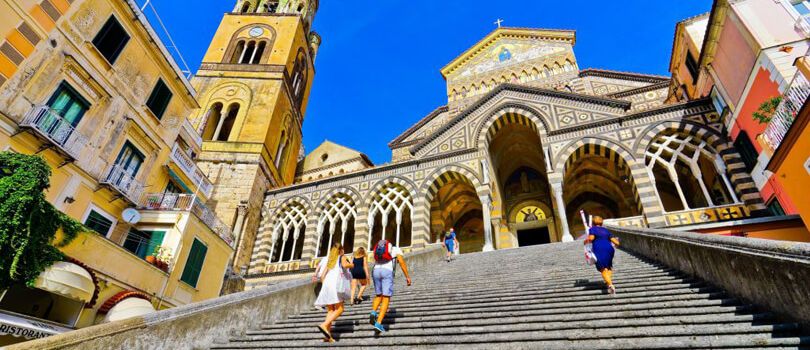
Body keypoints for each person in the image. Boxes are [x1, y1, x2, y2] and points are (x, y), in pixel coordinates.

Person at [369, 238, 412, 333]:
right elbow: (401, 262)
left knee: (378, 295)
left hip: (376, 270)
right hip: (387, 271)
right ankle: (379, 323)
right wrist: (407, 277)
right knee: (386, 297)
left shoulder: (379, 248)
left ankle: (373, 312)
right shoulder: (396, 249)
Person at [313, 242, 353, 342]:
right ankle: (324, 324)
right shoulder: (342, 257)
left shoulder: (330, 260)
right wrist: (352, 264)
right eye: (343, 249)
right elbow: (345, 265)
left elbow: (322, 276)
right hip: (336, 284)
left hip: (327, 284)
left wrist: (325, 286)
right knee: (340, 309)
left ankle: (328, 336)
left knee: (330, 310)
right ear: (341, 250)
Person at [583, 216, 621, 294]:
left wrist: (585, 241)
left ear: (593, 223)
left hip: (599, 249)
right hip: (609, 249)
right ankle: (608, 282)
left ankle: (610, 285)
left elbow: (591, 238)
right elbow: (617, 243)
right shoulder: (606, 230)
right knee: (608, 266)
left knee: (602, 268)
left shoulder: (592, 229)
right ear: (601, 222)